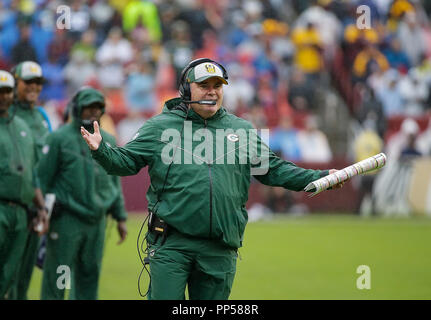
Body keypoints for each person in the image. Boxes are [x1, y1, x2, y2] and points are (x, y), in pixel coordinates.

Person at [81, 58, 343, 300]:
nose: (212, 91)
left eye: (217, 85)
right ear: (186, 90)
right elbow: (124, 163)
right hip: (172, 244)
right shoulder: (160, 127)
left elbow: (273, 170)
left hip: (220, 247)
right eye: (203, 85)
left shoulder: (242, 129)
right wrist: (101, 150)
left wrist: (320, 177)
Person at [37, 87, 128, 300]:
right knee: (60, 276)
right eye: (89, 107)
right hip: (67, 220)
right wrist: (40, 211)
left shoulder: (109, 140)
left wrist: (121, 216)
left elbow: (114, 182)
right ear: (76, 108)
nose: (93, 112)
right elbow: (42, 178)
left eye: (98, 108)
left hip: (96, 223)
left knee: (89, 275)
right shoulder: (59, 139)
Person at [0, 70, 48, 299]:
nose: (3, 96)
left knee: (13, 275)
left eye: (6, 91)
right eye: (0, 91)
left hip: (23, 210)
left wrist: (41, 207)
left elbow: (32, 171)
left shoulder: (26, 124)